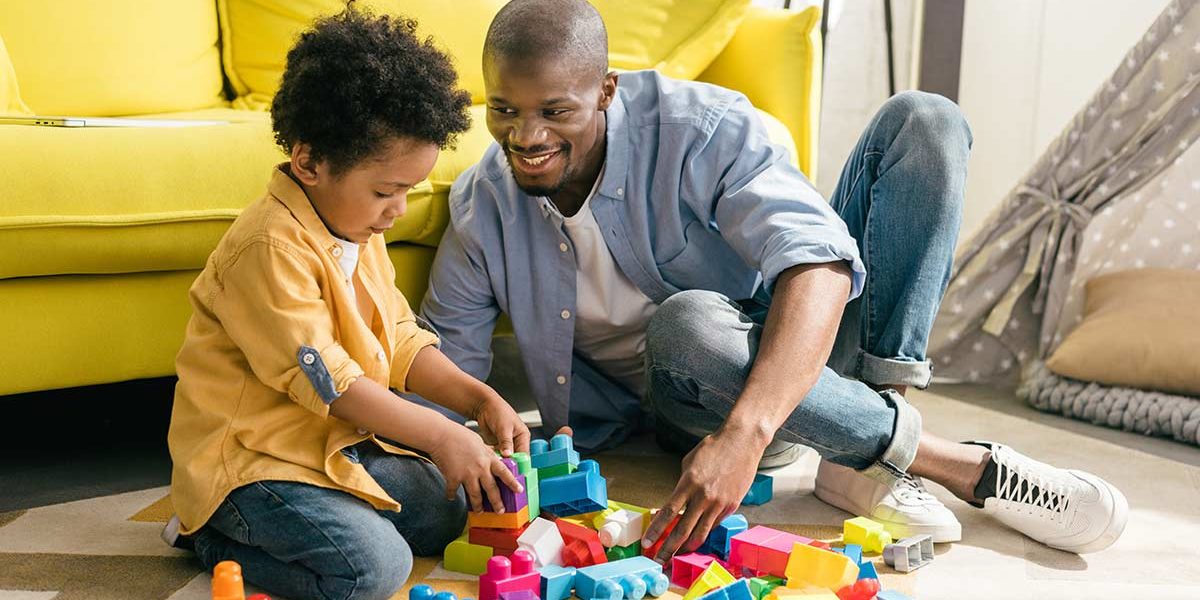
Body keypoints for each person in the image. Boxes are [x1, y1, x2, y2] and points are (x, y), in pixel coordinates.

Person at [421, 0, 1128, 559]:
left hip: (770, 380)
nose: (526, 136)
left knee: (926, 121)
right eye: (504, 110)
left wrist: (746, 437)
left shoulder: (699, 129)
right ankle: (957, 465)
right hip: (685, 402)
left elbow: (816, 260)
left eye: (555, 111)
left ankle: (866, 447)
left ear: (606, 91)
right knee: (689, 327)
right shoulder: (484, 207)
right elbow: (446, 372)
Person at [161, 10, 531, 600]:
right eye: (386, 191)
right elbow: (333, 384)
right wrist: (441, 436)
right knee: (371, 572)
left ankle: (332, 517)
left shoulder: (357, 226)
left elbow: (400, 340)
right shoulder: (267, 247)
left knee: (449, 511)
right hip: (254, 465)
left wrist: (475, 397)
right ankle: (210, 535)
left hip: (330, 444)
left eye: (409, 190)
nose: (399, 210)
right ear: (309, 163)